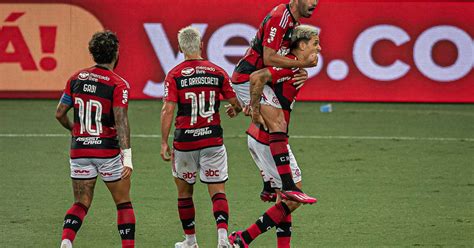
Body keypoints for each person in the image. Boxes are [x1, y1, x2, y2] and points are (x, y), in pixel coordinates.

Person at [230, 25, 321, 248]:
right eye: (315, 43)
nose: (319, 48)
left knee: (285, 198)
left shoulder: (289, 66)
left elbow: (261, 89)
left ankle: (276, 244)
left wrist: (243, 105)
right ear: (301, 45)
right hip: (268, 139)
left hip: (262, 137)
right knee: (292, 197)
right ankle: (243, 238)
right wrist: (251, 107)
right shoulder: (287, 66)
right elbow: (258, 78)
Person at [160, 26, 242, 248]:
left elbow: (168, 110)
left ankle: (190, 241)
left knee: (185, 192)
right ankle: (223, 239)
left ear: (179, 48)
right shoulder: (217, 72)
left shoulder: (174, 75)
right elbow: (236, 104)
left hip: (185, 143)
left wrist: (163, 142)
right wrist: (235, 110)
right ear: (201, 45)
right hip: (212, 141)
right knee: (217, 190)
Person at [231, 0, 319, 203]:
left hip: (260, 79)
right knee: (277, 122)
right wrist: (302, 63)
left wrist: (300, 69)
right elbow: (269, 58)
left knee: (271, 123)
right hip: (248, 78)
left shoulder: (293, 23)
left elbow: (286, 56)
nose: (314, 3)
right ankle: (287, 186)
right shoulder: (280, 18)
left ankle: (269, 185)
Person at [55, 31, 135, 248]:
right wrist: (127, 157)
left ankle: (66, 241)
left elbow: (60, 113)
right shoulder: (118, 84)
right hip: (107, 151)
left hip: (80, 150)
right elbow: (120, 121)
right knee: (123, 203)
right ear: (116, 53)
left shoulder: (76, 78)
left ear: (92, 53)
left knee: (81, 202)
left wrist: (75, 130)